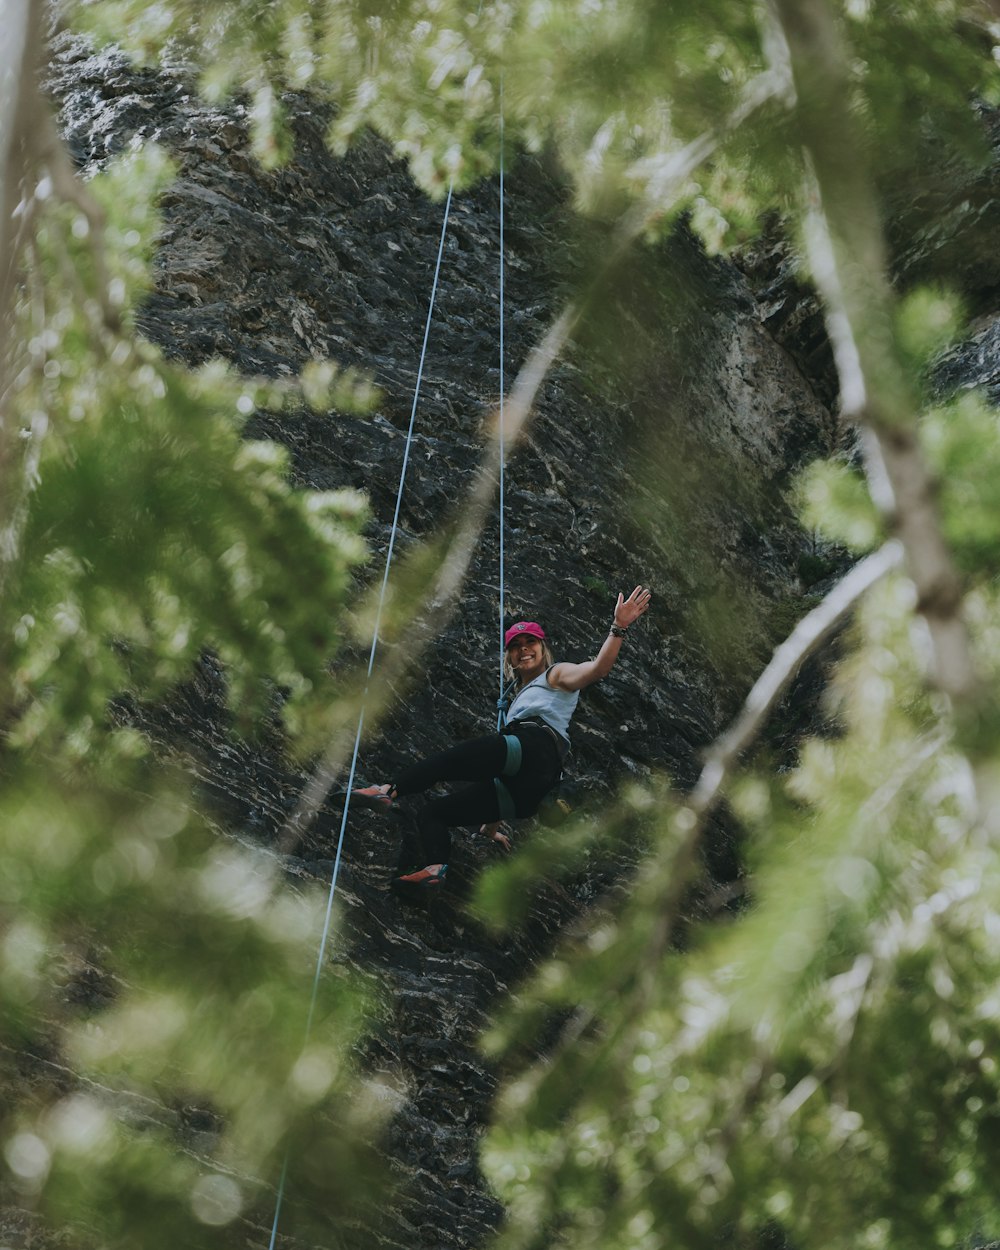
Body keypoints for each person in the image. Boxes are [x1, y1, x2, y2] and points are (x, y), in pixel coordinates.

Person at [354, 586, 652, 894]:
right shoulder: (516, 700)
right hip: (525, 794)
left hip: (535, 748)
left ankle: (388, 790)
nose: (524, 649)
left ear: (543, 648)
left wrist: (619, 627)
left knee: (446, 763)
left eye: (530, 643)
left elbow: (597, 669)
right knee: (433, 813)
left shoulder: (556, 675)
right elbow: (505, 768)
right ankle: (433, 869)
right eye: (516, 646)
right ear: (509, 656)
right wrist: (490, 826)